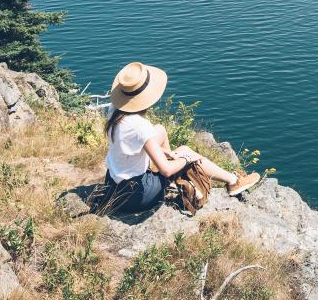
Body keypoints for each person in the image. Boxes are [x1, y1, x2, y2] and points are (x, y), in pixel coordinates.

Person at [101, 61, 260, 215]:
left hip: (113, 184)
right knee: (185, 152)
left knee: (161, 130)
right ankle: (233, 182)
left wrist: (164, 152)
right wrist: (186, 159)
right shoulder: (140, 126)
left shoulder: (115, 110)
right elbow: (166, 169)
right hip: (135, 196)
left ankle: (173, 180)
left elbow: (132, 142)